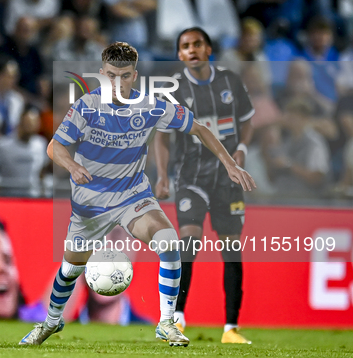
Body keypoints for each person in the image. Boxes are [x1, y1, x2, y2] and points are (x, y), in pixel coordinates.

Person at [20, 41, 256, 347]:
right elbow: (55, 147)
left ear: (135, 74)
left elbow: (200, 129)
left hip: (133, 196)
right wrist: (72, 166)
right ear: (102, 73)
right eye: (112, 76)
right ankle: (51, 322)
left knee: (169, 241)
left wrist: (230, 165)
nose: (118, 83)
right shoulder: (87, 106)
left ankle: (166, 323)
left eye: (125, 76)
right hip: (90, 204)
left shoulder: (151, 106)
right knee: (69, 270)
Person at [153, 27, 255, 344]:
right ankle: (178, 318)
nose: (192, 50)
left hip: (229, 176)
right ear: (180, 55)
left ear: (209, 49)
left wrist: (242, 149)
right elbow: (163, 136)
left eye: (198, 44)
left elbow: (247, 120)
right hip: (190, 176)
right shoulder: (174, 90)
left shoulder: (230, 81)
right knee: (189, 241)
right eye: (185, 46)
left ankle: (231, 329)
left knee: (231, 249)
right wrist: (162, 175)